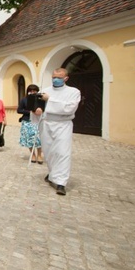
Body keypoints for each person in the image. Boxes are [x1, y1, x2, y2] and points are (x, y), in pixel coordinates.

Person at [35, 68, 81, 196]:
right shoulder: (45, 91)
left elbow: (69, 108)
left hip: (62, 124)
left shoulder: (73, 92)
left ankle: (61, 183)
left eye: (59, 77)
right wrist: (37, 109)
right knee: (49, 151)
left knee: (62, 152)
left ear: (66, 78)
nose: (56, 79)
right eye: (54, 77)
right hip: (46, 123)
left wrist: (49, 100)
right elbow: (37, 106)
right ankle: (52, 173)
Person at [17, 84, 43, 164]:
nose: (32, 92)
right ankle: (33, 154)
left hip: (38, 121)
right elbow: (19, 110)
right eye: (30, 91)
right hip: (27, 121)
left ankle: (39, 155)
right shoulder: (24, 100)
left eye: (34, 90)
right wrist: (30, 112)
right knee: (29, 139)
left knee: (39, 138)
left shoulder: (40, 99)